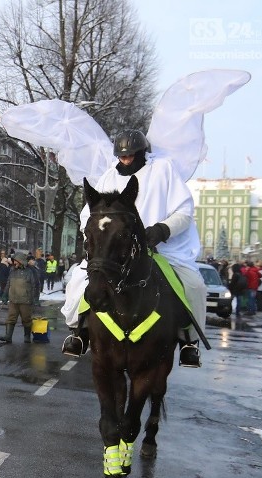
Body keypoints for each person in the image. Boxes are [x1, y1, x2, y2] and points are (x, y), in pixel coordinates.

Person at [61, 129, 206, 367]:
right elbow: (91, 212)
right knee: (77, 280)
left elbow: (184, 211)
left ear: (141, 153)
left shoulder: (163, 170)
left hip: (158, 248)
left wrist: (162, 230)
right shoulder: (109, 176)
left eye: (130, 156)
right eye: (122, 156)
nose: (125, 160)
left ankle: (188, 341)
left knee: (194, 285)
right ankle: (78, 332)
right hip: (114, 251)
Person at [0, 252, 40, 344]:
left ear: (21, 261)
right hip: (13, 300)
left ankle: (27, 336)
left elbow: (36, 285)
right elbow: (8, 283)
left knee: (26, 319)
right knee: (11, 318)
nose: (14, 263)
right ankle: (8, 336)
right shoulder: (12, 271)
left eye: (16, 261)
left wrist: (36, 298)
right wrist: (5, 295)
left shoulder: (30, 271)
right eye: (14, 261)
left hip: (25, 300)